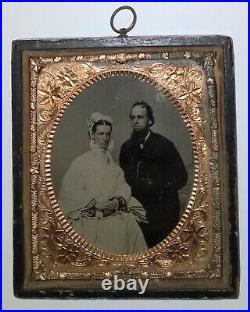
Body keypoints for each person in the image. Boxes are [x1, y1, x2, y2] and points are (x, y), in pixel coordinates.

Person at [58, 112, 148, 254]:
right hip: (89, 215)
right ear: (92, 135)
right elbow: (70, 192)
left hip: (112, 212)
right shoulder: (81, 163)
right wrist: (95, 204)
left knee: (128, 226)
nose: (105, 138)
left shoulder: (114, 166)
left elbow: (122, 186)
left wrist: (117, 201)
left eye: (107, 134)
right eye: (101, 134)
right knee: (108, 233)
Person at [120, 102, 188, 248]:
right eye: (132, 118)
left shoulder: (165, 145)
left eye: (140, 117)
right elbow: (122, 180)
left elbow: (182, 177)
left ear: (150, 120)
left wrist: (158, 185)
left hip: (162, 211)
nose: (135, 121)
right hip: (137, 210)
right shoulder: (126, 148)